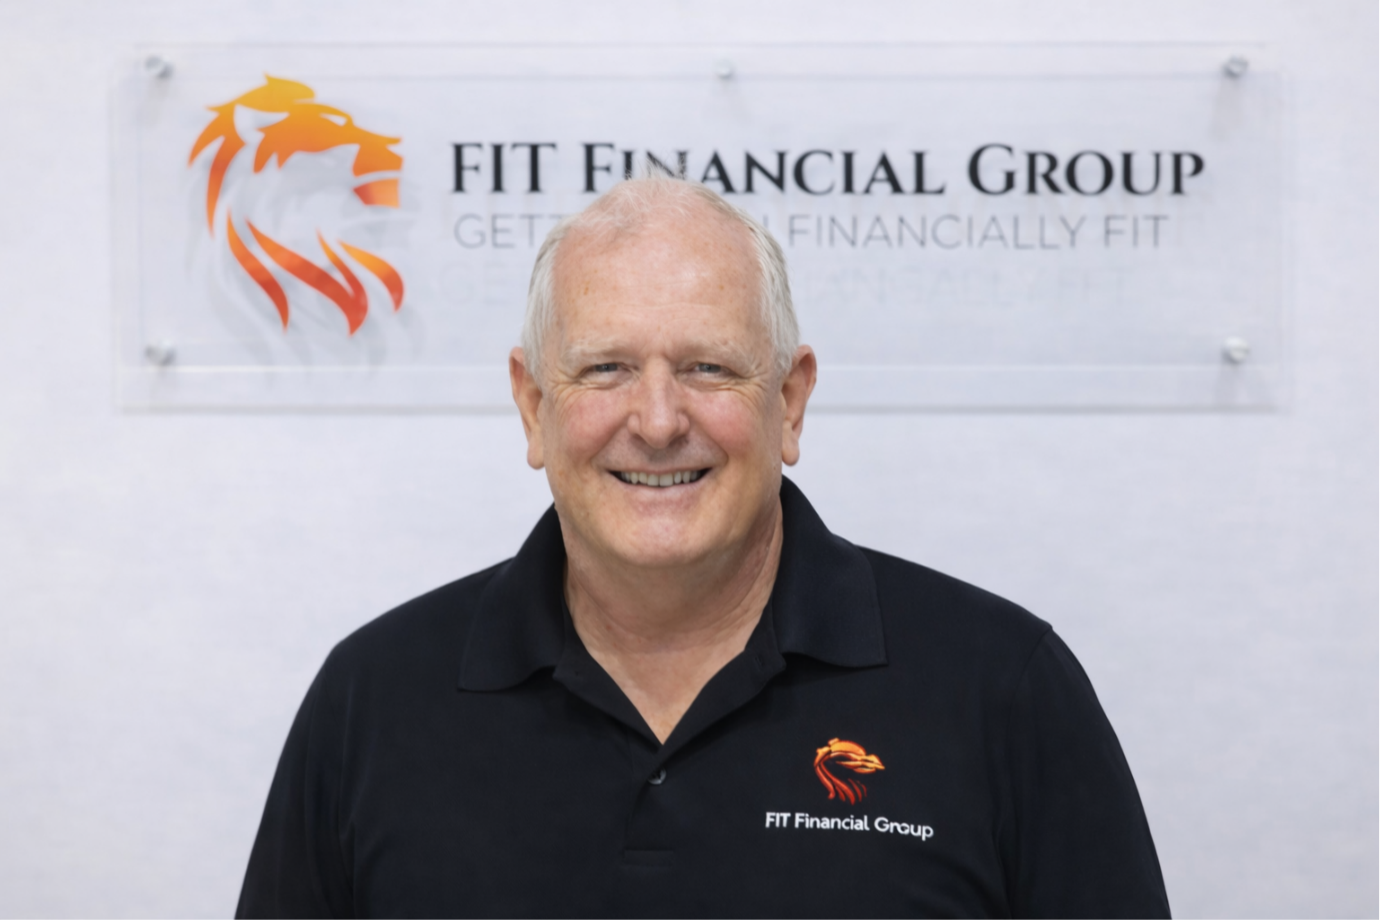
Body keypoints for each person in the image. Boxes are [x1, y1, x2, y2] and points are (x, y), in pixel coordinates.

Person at [236, 176, 1170, 919]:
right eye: (605, 368)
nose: (655, 420)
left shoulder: (1003, 690)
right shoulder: (373, 699)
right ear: (532, 406)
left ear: (791, 401)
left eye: (707, 368)